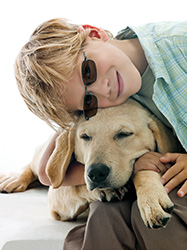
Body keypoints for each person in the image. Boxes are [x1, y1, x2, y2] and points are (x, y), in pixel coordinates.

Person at [15, 19, 187, 250]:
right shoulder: (106, 104)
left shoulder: (179, 46)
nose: (103, 88)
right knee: (105, 215)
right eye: (89, 100)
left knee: (157, 222)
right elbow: (50, 171)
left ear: (94, 33)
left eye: (88, 72)